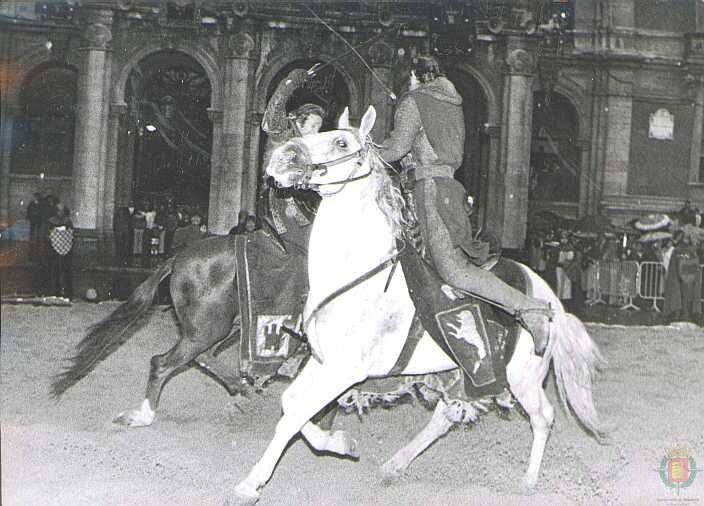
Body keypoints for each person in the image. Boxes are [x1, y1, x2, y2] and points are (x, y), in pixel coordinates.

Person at [378, 55, 553, 356]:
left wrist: (361, 147)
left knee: (454, 271)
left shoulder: (414, 101)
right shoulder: (452, 102)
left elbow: (396, 148)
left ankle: (530, 310)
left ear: (415, 76)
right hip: (446, 189)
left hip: (431, 192)